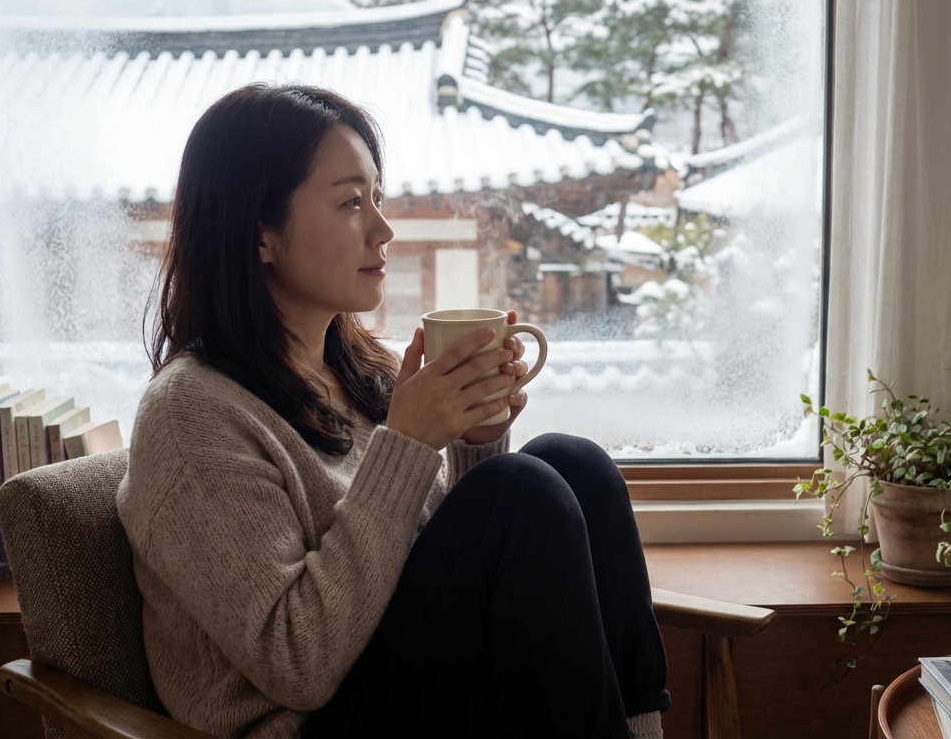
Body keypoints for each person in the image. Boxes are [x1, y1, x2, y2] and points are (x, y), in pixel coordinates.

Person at [116, 83, 669, 738]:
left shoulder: (359, 371)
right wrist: (408, 445)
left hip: (403, 690)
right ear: (260, 234)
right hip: (311, 724)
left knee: (572, 464)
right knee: (521, 489)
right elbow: (297, 664)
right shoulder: (190, 416)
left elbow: (438, 569)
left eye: (377, 197)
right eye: (352, 202)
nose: (383, 229)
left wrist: (474, 437)